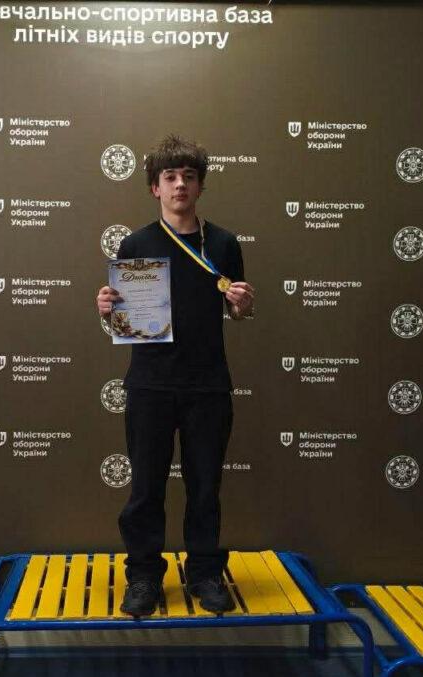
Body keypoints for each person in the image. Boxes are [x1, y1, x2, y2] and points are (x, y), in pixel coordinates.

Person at [96, 135, 255, 617]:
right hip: (150, 385)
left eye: (188, 176)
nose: (179, 184)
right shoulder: (136, 243)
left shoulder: (223, 243)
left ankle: (205, 573)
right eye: (170, 177)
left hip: (207, 385)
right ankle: (143, 576)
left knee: (205, 487)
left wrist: (243, 306)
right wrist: (107, 309)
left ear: (200, 185)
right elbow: (125, 318)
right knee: (146, 488)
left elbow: (237, 313)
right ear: (155, 187)